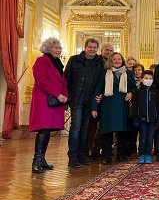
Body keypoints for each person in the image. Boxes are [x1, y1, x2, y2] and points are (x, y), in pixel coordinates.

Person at [29, 37, 68, 173]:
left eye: (59, 48)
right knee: (43, 129)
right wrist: (58, 94)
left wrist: (64, 95)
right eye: (56, 47)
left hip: (55, 100)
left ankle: (42, 159)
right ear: (48, 48)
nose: (59, 50)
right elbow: (41, 80)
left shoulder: (58, 62)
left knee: (48, 130)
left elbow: (63, 82)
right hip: (43, 99)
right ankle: (36, 161)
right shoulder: (41, 60)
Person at [64, 38, 104, 168]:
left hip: (90, 102)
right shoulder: (74, 60)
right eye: (90, 47)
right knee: (76, 128)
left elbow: (101, 83)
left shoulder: (99, 62)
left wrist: (99, 97)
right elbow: (66, 79)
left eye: (94, 47)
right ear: (85, 47)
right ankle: (73, 157)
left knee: (85, 128)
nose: (92, 49)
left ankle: (82, 154)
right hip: (77, 99)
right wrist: (66, 98)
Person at [91, 52, 135, 164]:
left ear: (122, 60)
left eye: (119, 59)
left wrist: (131, 93)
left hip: (123, 106)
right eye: (114, 59)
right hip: (107, 106)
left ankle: (121, 155)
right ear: (110, 60)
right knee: (106, 132)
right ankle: (106, 156)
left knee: (122, 133)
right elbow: (98, 90)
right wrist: (94, 107)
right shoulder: (105, 73)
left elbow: (134, 88)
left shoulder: (128, 73)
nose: (117, 61)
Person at [85, 43, 114, 161]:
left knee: (104, 127)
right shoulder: (96, 62)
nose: (109, 52)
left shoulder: (113, 66)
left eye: (111, 50)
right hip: (94, 97)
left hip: (106, 99)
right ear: (101, 51)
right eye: (106, 50)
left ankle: (97, 150)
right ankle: (86, 151)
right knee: (91, 127)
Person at [132, 70, 159, 164]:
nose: (148, 80)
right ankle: (141, 155)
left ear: (153, 80)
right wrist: (135, 118)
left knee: (150, 137)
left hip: (153, 119)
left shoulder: (156, 92)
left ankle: (148, 155)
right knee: (142, 137)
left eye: (150, 78)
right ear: (142, 79)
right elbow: (134, 106)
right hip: (142, 119)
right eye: (146, 78)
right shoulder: (138, 92)